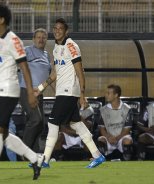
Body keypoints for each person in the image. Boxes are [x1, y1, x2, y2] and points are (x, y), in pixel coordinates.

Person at [0, 3, 44, 182]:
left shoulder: (13, 40)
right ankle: (36, 158)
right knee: (1, 133)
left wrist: (29, 93)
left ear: (1, 19)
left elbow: (24, 67)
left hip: (8, 89)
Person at [35, 18, 105, 168]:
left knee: (53, 122)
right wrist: (40, 88)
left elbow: (80, 71)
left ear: (66, 31)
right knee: (76, 123)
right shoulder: (56, 48)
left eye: (60, 28)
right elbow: (54, 74)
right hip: (62, 91)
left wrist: (82, 94)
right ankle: (97, 155)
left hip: (69, 91)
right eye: (55, 28)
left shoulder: (71, 45)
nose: (57, 30)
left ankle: (45, 160)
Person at [19, 28, 51, 152]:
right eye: (38, 37)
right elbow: (16, 62)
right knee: (36, 120)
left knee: (40, 124)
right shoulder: (27, 50)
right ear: (33, 39)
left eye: (44, 37)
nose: (41, 39)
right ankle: (24, 150)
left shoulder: (47, 55)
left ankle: (34, 154)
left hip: (39, 94)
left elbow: (49, 76)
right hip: (26, 91)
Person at [98, 84, 133, 161]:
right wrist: (108, 137)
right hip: (109, 137)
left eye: (108, 93)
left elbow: (127, 129)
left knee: (128, 140)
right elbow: (101, 128)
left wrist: (117, 138)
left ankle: (127, 162)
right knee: (101, 139)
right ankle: (101, 162)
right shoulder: (103, 110)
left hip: (121, 137)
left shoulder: (126, 109)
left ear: (116, 95)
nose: (106, 95)